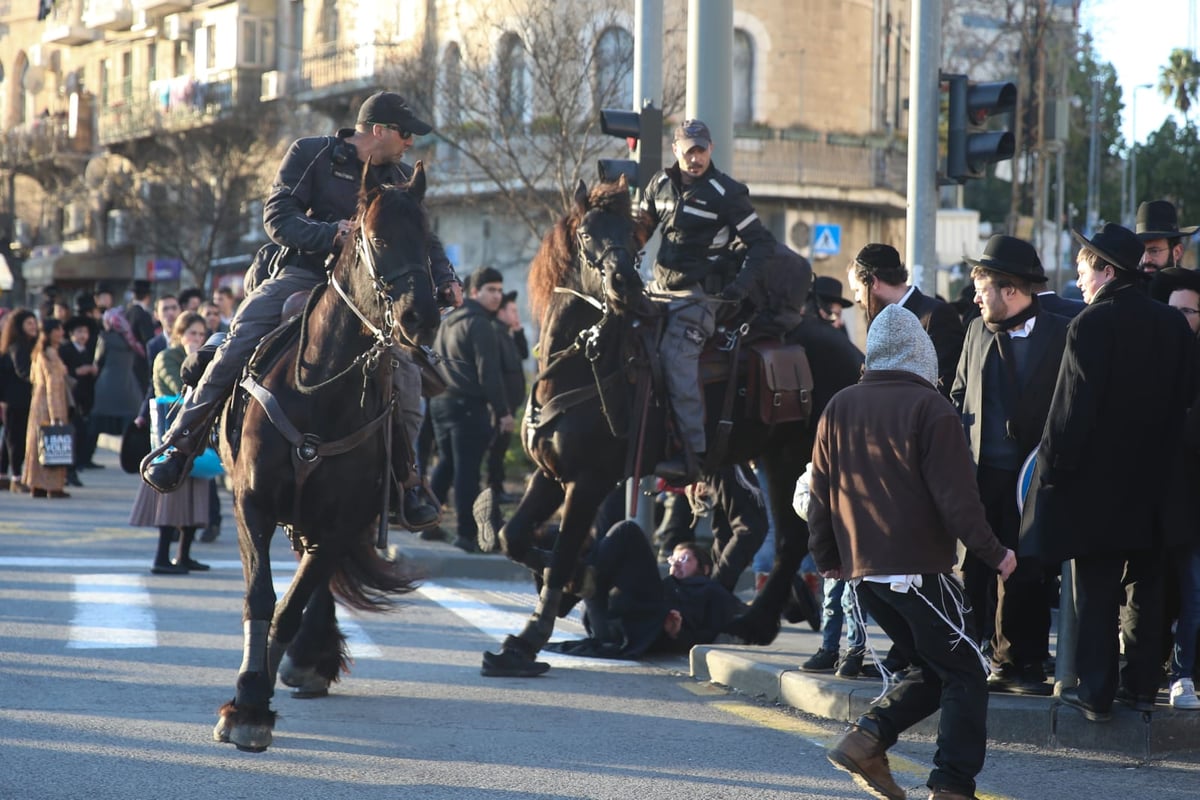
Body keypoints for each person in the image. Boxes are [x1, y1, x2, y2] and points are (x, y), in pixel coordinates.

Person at [141, 91, 460, 532]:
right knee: (239, 340)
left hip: (366, 298)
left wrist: (446, 277)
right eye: (406, 134)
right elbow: (278, 216)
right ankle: (179, 445)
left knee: (407, 372)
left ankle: (407, 483)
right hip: (303, 276)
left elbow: (424, 240)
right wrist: (331, 233)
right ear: (380, 131)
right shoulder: (311, 153)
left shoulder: (401, 178)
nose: (410, 144)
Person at [808, 303, 1016, 800]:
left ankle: (866, 740)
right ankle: (951, 785)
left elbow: (820, 493)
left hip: (864, 574)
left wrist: (828, 559)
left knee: (933, 667)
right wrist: (995, 553)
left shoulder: (840, 405)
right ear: (920, 352)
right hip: (919, 573)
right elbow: (957, 501)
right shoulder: (932, 409)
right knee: (966, 671)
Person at [1021, 224, 1194, 722]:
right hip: (1158, 481)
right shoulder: (1170, 324)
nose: (1078, 280)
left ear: (1106, 271)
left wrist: (1051, 474)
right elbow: (1184, 398)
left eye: (1082, 269)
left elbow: (1070, 414)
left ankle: (1096, 692)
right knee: (1147, 584)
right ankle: (1141, 688)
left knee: (1096, 590)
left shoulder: (1091, 324)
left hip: (1096, 487)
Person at [950, 234, 1069, 697]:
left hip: (1032, 478)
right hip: (981, 474)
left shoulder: (1062, 332)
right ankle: (973, 655)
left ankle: (1024, 662)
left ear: (1012, 290)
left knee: (1027, 568)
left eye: (984, 288)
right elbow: (959, 394)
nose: (976, 297)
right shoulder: (976, 330)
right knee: (976, 565)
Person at [639, 119, 777, 483]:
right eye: (689, 152)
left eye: (701, 150)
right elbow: (639, 229)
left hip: (699, 298)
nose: (695, 158)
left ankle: (692, 455)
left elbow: (761, 243)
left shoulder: (726, 192)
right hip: (657, 290)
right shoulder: (659, 185)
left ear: (711, 149)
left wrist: (740, 288)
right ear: (676, 152)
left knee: (674, 357)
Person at [544, 522, 747, 659]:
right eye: (673, 559)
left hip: (643, 630)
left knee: (627, 530)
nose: (676, 563)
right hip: (608, 623)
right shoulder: (666, 584)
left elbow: (717, 630)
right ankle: (560, 583)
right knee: (585, 543)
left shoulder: (711, 590)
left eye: (684, 559)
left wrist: (677, 634)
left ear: (705, 569)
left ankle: (563, 597)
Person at [430, 266, 513, 552]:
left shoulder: (450, 321)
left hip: (441, 402)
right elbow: (488, 373)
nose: (497, 296)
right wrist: (503, 411)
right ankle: (467, 533)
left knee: (447, 465)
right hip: (466, 405)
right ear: (474, 292)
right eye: (491, 290)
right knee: (467, 471)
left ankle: (426, 522)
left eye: (500, 291)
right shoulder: (479, 324)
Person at [1150, 266, 1200, 709]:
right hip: (1156, 499)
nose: (1181, 319)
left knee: (1193, 589)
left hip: (1190, 501)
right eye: (1175, 312)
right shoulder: (1155, 358)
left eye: (1189, 312)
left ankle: (1183, 674)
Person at [130, 312, 212, 574]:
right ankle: (162, 557)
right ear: (179, 334)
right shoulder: (167, 357)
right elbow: (182, 389)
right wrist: (193, 358)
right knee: (170, 497)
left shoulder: (206, 358)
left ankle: (183, 555)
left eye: (201, 334)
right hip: (170, 437)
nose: (197, 339)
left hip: (196, 434)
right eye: (192, 333)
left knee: (194, 496)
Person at [845, 243, 965, 399]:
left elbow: (946, 383)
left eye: (857, 290)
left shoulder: (937, 315)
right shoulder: (877, 323)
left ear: (872, 282)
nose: (857, 298)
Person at [485, 289, 528, 502]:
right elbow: (496, 373)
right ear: (500, 312)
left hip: (510, 404)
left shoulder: (508, 334)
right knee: (496, 447)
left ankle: (498, 488)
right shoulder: (494, 333)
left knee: (501, 447)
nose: (516, 315)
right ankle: (494, 490)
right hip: (501, 406)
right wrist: (502, 409)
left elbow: (524, 355)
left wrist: (519, 331)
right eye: (512, 311)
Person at [21, 318, 72, 498]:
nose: (61, 333)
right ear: (50, 333)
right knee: (52, 443)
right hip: (50, 404)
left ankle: (37, 484)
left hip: (37, 404)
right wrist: (56, 415)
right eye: (58, 330)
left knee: (37, 445)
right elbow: (53, 386)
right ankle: (52, 486)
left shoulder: (38, 352)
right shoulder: (50, 353)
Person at [90, 307, 147, 442]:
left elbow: (98, 361)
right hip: (129, 387)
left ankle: (85, 456)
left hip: (106, 386)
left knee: (95, 424)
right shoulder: (131, 340)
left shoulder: (104, 338)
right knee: (130, 424)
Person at [1, 309, 38, 493]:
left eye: (34, 322)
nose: (34, 327)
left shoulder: (31, 344)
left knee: (9, 437)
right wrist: (41, 376)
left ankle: (3, 475)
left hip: (22, 399)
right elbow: (23, 371)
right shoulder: (18, 346)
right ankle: (16, 477)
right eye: (29, 323)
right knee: (15, 439)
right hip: (16, 399)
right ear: (19, 326)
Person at [59, 317, 98, 488]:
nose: (83, 336)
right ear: (71, 334)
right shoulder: (65, 350)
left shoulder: (89, 350)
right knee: (73, 433)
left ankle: (76, 466)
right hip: (70, 397)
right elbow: (64, 373)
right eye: (79, 332)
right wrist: (77, 371)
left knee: (83, 433)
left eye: (85, 332)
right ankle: (69, 470)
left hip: (85, 398)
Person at [1135, 199, 1197, 274]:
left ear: (1177, 252)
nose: (1145, 260)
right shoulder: (1130, 284)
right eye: (1141, 252)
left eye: (1154, 251)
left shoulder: (1192, 284)